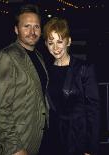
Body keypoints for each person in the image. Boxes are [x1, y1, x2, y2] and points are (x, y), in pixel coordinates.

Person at [0, 4, 49, 155]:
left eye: (36, 26)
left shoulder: (38, 56)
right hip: (18, 143)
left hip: (38, 139)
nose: (32, 32)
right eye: (27, 26)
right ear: (16, 30)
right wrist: (14, 147)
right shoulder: (7, 57)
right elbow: (0, 108)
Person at [43, 17, 100, 155]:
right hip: (55, 139)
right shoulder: (46, 71)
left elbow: (94, 111)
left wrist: (90, 148)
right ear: (46, 44)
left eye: (60, 41)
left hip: (78, 139)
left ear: (68, 41)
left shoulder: (84, 68)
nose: (55, 48)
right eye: (51, 43)